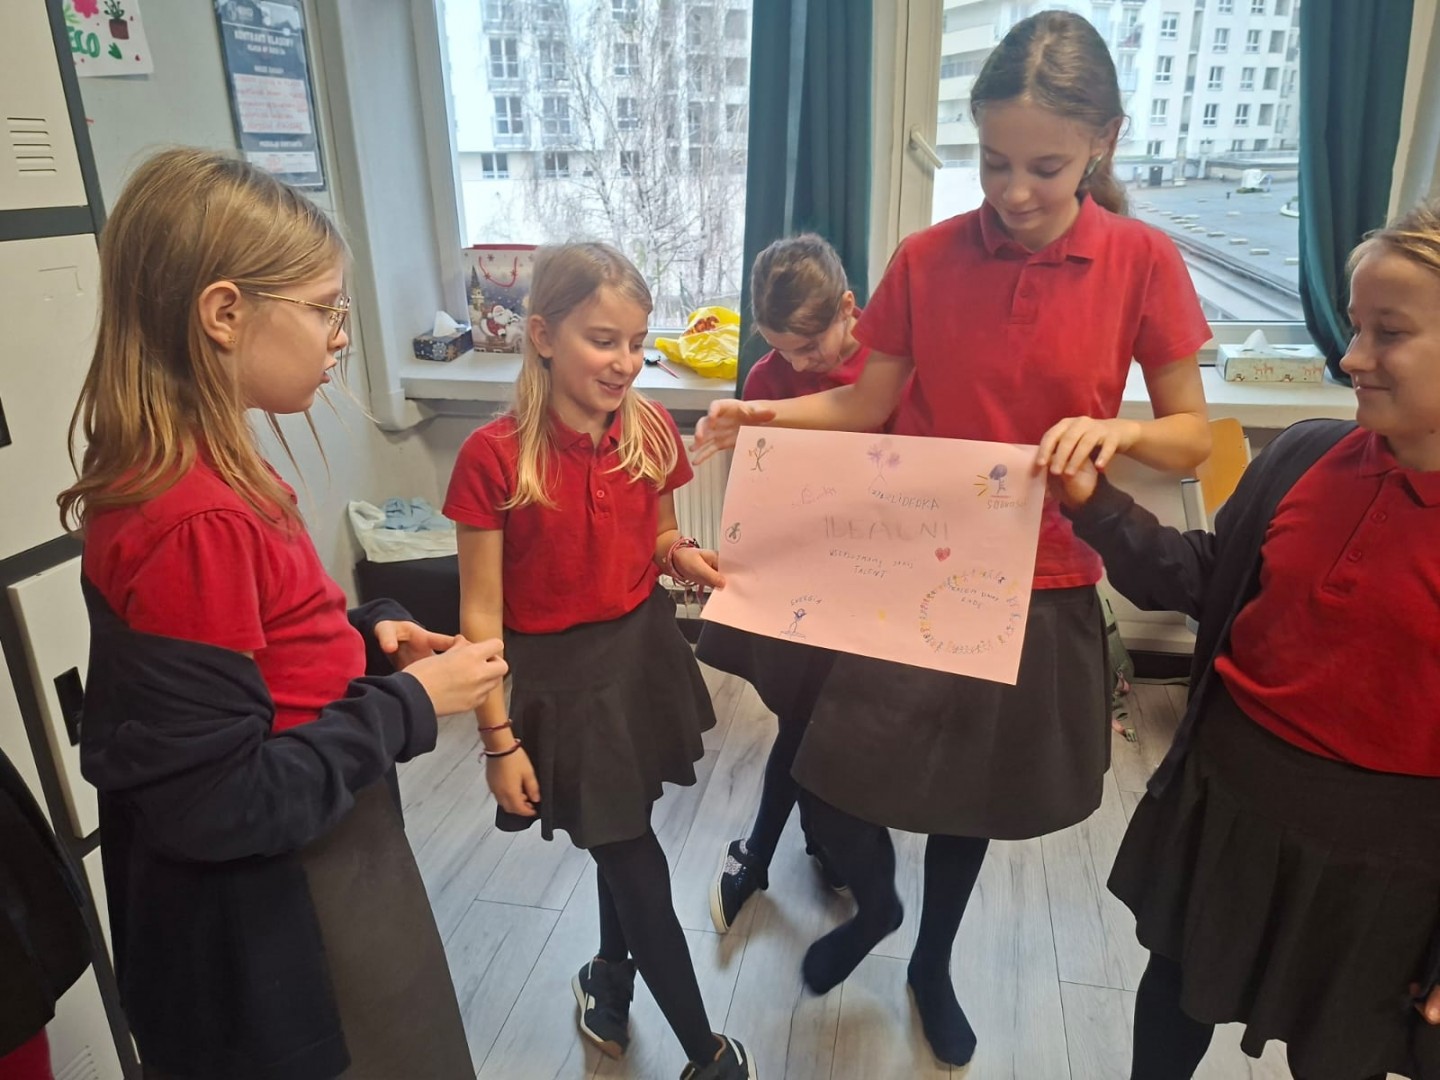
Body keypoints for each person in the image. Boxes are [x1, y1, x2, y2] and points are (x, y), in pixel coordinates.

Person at [691, 10, 1212, 1067]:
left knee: (971, 797)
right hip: (912, 561)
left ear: (1103, 141)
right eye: (993, 161)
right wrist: (764, 413)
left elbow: (1192, 436)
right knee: (832, 767)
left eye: (1044, 167)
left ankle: (932, 962)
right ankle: (878, 906)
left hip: (1042, 577)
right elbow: (863, 402)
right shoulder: (926, 258)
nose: (1013, 190)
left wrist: (1118, 432)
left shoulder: (1143, 261)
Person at [60, 148, 509, 1080]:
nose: (338, 338)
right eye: (323, 310)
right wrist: (413, 703)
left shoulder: (197, 474)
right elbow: (223, 798)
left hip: (322, 829)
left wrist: (363, 639)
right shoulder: (196, 517)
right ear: (225, 313)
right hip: (296, 882)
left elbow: (247, 660)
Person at [1054, 201, 1440, 1080]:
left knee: (1335, 1052)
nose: (1351, 358)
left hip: (1388, 864)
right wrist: (1097, 506)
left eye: (1388, 333)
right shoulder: (1306, 458)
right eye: (1354, 327)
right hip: (1230, 803)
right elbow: (1205, 577)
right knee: (1174, 991)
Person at [444, 242, 756, 1080]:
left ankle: (609, 975)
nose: (625, 361)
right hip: (562, 685)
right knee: (631, 855)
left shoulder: (648, 428)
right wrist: (498, 740)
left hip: (642, 655)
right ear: (544, 335)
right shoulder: (492, 457)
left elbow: (658, 535)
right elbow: (480, 618)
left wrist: (684, 556)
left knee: (623, 829)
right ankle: (707, 1055)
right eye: (603, 340)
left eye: (637, 342)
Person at [696, 233, 876, 932]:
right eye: (779, 348)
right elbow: (761, 486)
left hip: (873, 584)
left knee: (845, 724)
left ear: (848, 308)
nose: (796, 365)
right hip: (802, 584)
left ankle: (808, 840)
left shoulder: (886, 370)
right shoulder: (767, 379)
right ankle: (768, 851)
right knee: (801, 718)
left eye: (808, 348)